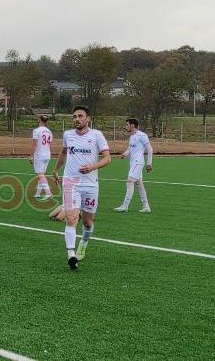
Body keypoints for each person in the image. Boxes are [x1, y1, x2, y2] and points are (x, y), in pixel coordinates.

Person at [52, 105, 111, 270]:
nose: (77, 119)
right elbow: (63, 153)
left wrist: (93, 167)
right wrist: (56, 169)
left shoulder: (97, 135)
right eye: (74, 117)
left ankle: (83, 243)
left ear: (88, 118)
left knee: (87, 222)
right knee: (71, 219)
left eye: (80, 116)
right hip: (71, 182)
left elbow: (107, 158)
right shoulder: (68, 135)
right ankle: (71, 254)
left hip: (90, 185)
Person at [114, 118, 154, 213]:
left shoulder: (142, 135)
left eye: (127, 124)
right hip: (133, 163)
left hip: (138, 162)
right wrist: (124, 154)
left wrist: (149, 163)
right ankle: (146, 207)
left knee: (130, 182)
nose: (126, 126)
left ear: (132, 125)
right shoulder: (132, 136)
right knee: (139, 184)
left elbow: (150, 149)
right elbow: (130, 149)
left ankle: (125, 206)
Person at [30, 115, 53, 200]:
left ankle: (48, 193)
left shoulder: (36, 131)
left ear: (39, 120)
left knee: (40, 175)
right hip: (47, 154)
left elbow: (34, 144)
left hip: (39, 155)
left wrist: (31, 156)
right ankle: (38, 194)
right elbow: (50, 144)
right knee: (41, 175)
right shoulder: (49, 131)